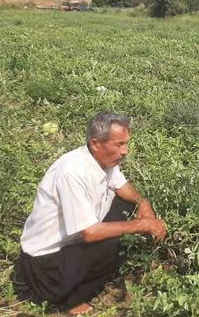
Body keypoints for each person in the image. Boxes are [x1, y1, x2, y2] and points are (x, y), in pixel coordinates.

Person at [19, 112, 167, 315]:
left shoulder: (102, 160)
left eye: (126, 144)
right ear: (96, 144)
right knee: (115, 243)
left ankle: (82, 277)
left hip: (70, 245)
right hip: (46, 268)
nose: (125, 151)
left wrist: (144, 203)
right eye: (119, 144)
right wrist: (144, 225)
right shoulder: (71, 172)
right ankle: (70, 299)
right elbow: (89, 233)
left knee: (128, 206)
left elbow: (122, 186)